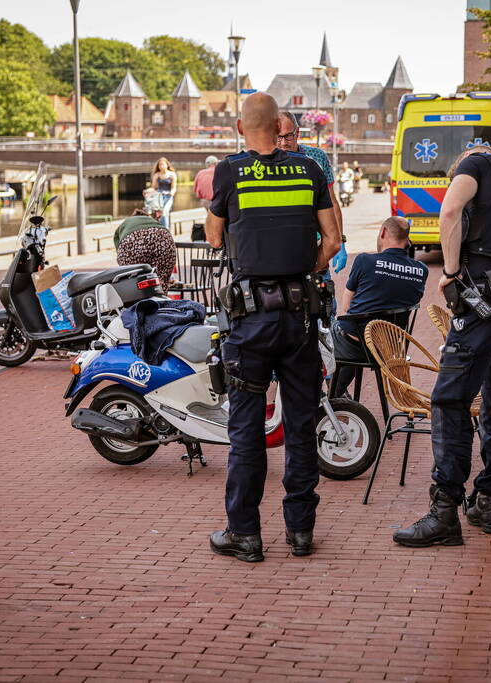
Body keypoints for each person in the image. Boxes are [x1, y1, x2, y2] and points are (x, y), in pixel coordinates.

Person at [205, 92, 340, 562]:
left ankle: (245, 534)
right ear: (279, 125)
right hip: (299, 319)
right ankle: (300, 532)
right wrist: (306, 270)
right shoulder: (309, 170)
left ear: (242, 129)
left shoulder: (229, 171)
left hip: (249, 322)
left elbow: (216, 235)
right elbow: (334, 239)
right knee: (301, 428)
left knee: (247, 430)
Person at [392, 145, 491, 548]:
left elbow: (449, 211)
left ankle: (444, 511)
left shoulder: (474, 164)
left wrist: (453, 273)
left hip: (483, 298)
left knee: (449, 399)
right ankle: (488, 501)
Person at [330, 216, 428, 397]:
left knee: (324, 334)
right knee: (354, 334)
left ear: (382, 232)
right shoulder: (421, 270)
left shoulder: (365, 260)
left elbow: (346, 306)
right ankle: (337, 395)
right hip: (389, 347)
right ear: (407, 240)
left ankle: (331, 395)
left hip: (356, 343)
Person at [277, 111, 346, 273]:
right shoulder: (265, 161)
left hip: (314, 244)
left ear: (298, 133)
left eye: (288, 136)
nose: (283, 143)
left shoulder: (317, 156)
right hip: (279, 245)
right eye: (278, 137)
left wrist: (340, 241)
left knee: (322, 294)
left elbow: (332, 202)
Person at [114, 208, 177, 284]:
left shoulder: (126, 223)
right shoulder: (153, 222)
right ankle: (160, 293)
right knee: (161, 280)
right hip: (164, 237)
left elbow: (119, 248)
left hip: (133, 240)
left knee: (132, 278)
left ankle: (136, 292)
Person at [151, 157, 178, 230]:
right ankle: (160, 229)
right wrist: (148, 191)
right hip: (159, 196)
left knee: (165, 211)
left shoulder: (172, 174)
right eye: (160, 165)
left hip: (168, 196)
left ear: (167, 165)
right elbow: (153, 187)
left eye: (163, 164)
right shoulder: (157, 175)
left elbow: (174, 187)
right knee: (158, 212)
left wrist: (172, 192)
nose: (161, 166)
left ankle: (166, 230)